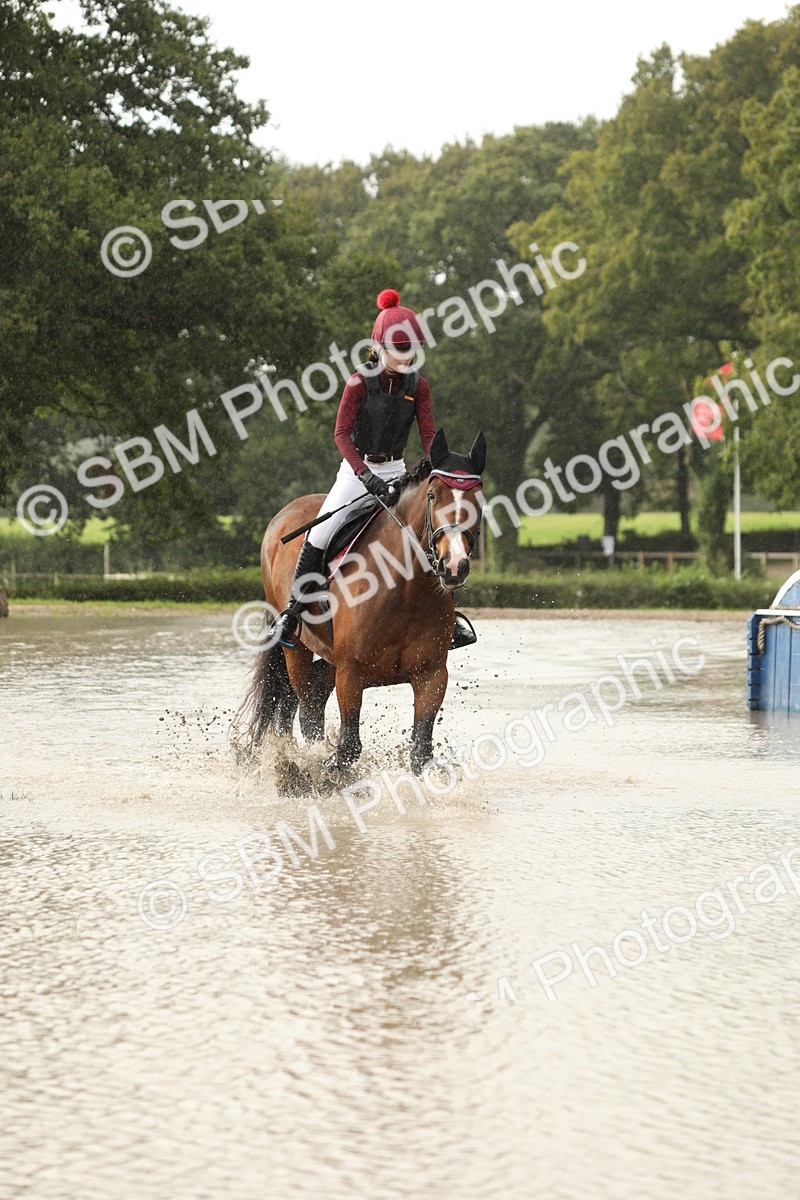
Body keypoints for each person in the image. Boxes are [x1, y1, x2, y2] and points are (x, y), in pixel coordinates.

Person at [268, 289, 475, 650]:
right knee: (320, 534)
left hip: (398, 470)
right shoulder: (359, 382)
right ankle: (292, 614)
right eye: (399, 349)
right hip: (356, 472)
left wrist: (436, 462)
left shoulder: (419, 387)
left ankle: (448, 618)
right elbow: (341, 434)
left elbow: (428, 435)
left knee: (429, 531)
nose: (406, 356)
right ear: (379, 347)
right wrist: (365, 476)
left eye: (411, 349)